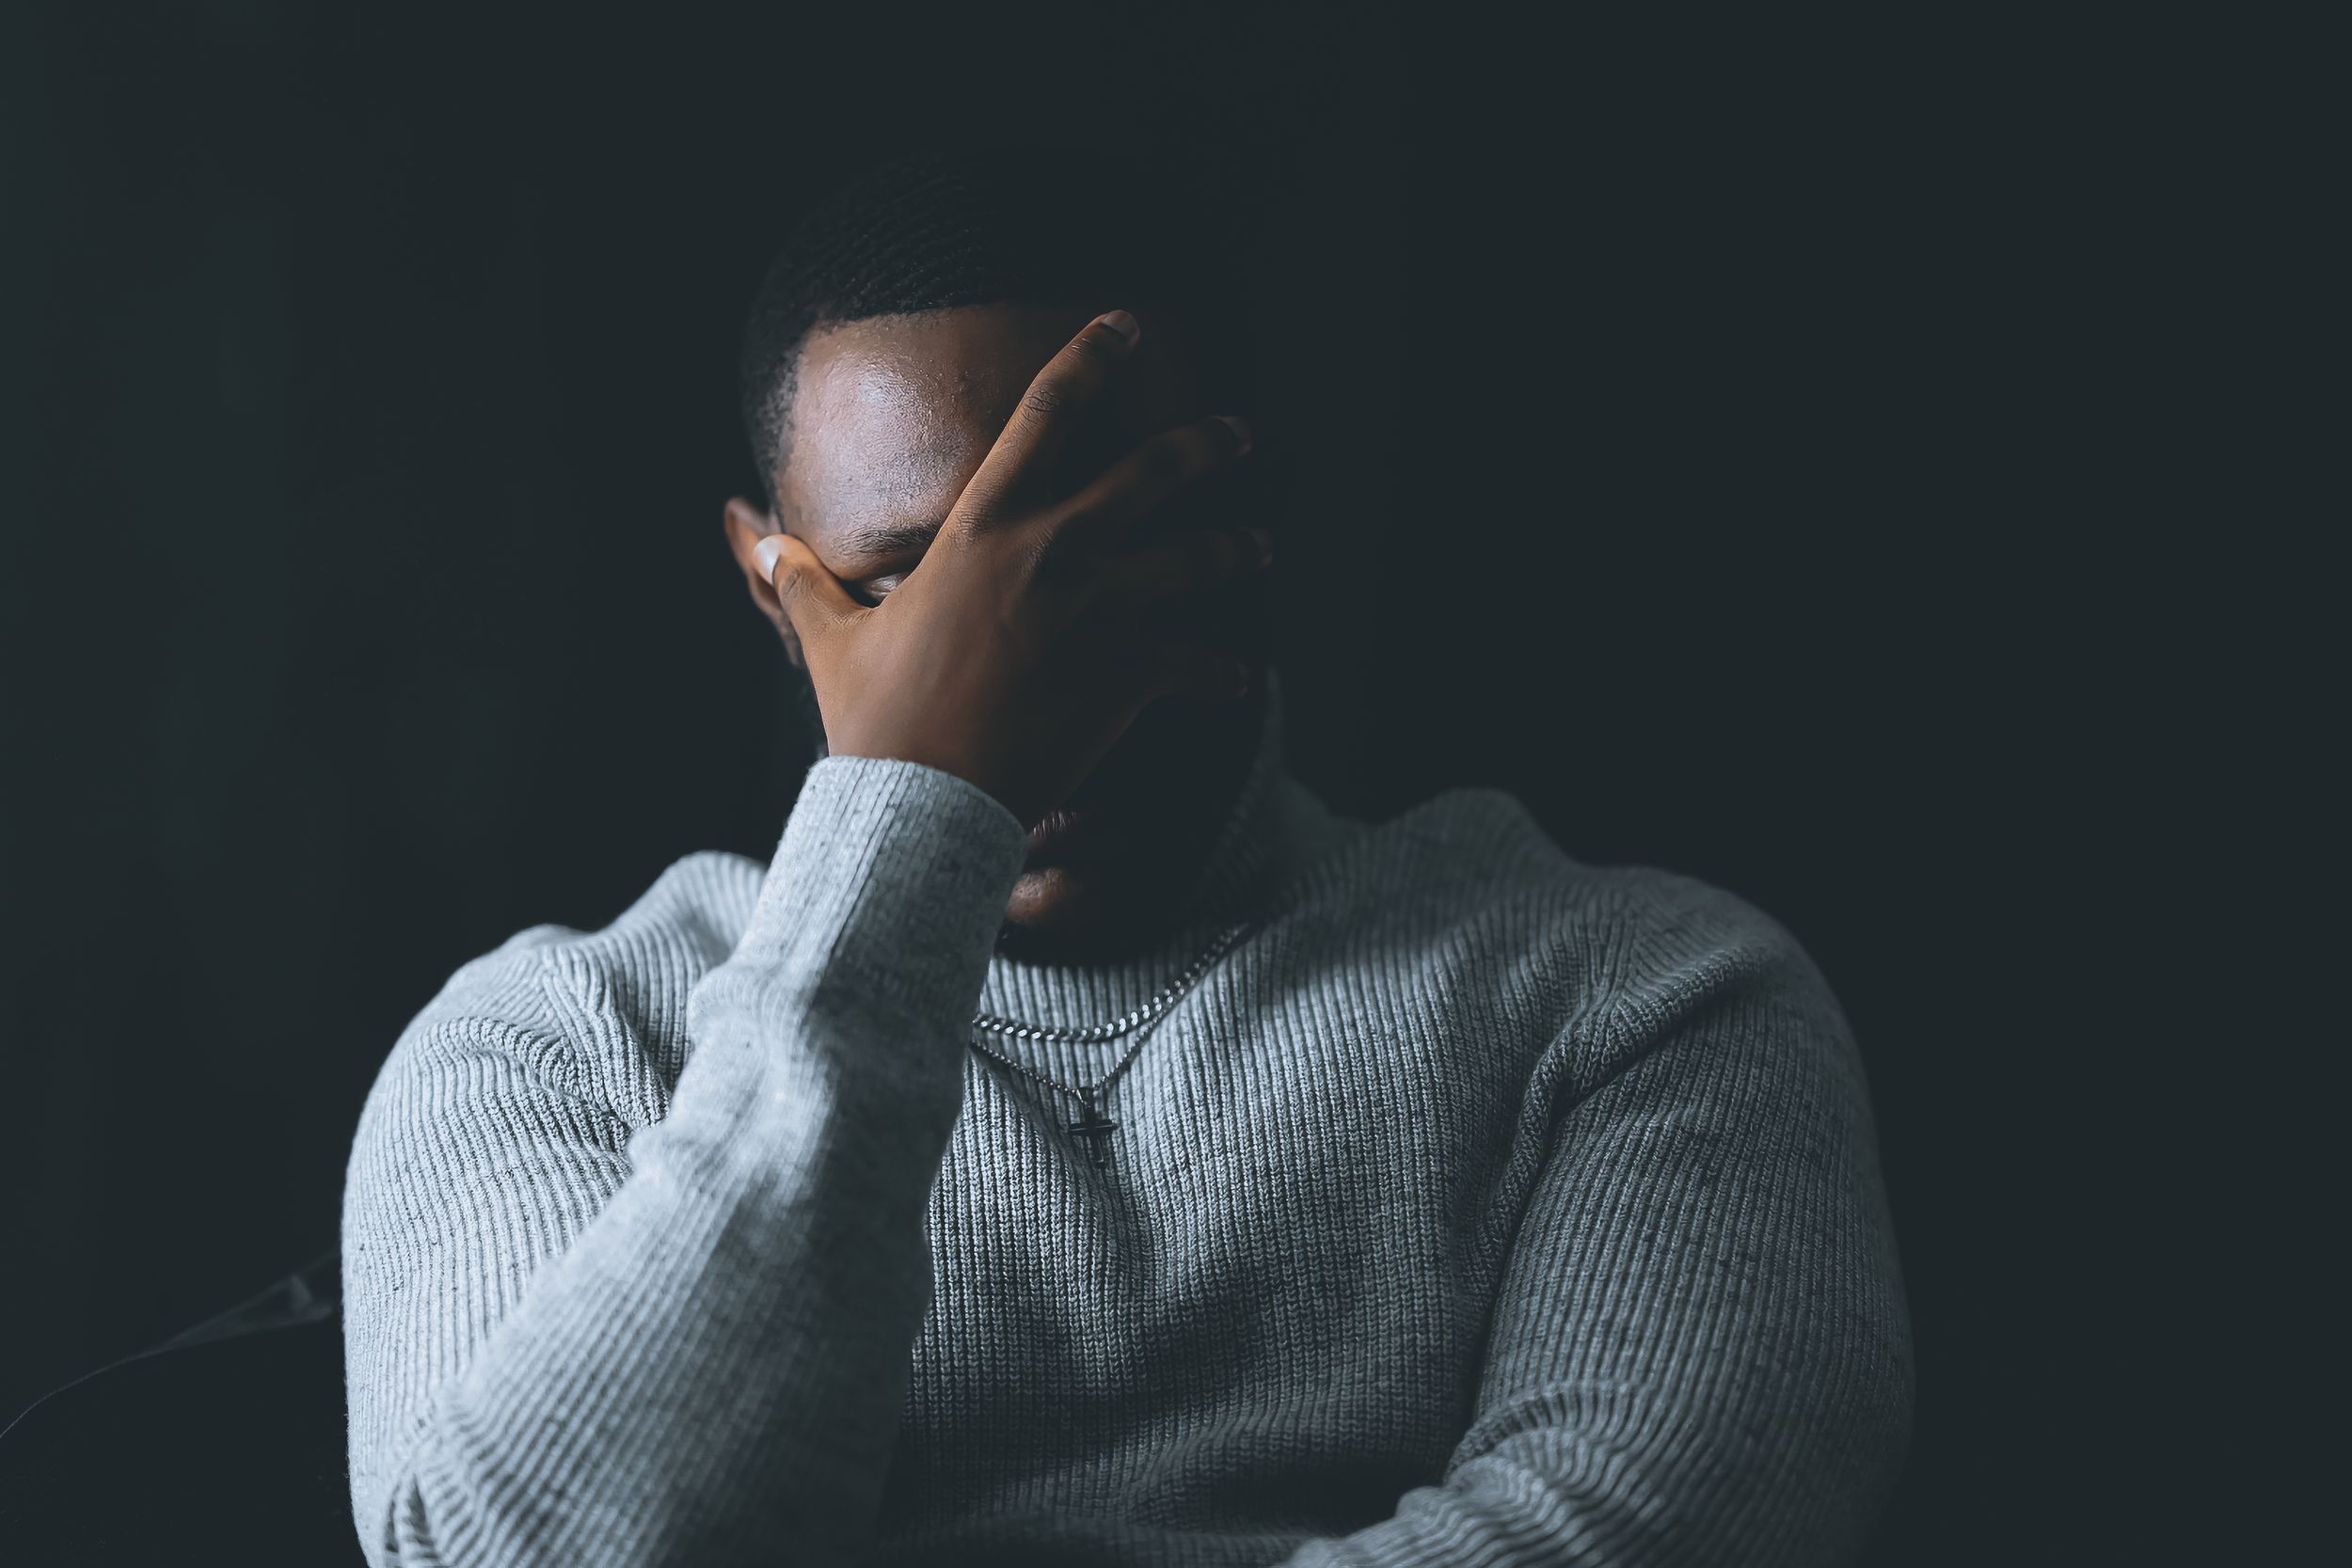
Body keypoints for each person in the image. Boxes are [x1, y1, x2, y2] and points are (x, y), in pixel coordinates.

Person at [339, 150, 1914, 1568]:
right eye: (906, 598)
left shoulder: (1647, 1003)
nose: (1028, 685)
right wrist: (918, 809)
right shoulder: (552, 1047)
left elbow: (1646, 1523)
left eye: (1105, 561)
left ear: (1257, 519)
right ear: (771, 589)